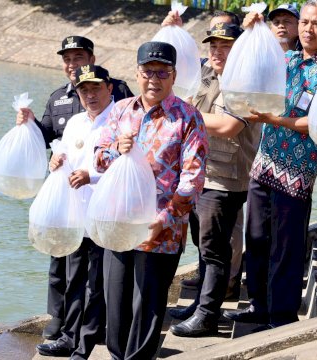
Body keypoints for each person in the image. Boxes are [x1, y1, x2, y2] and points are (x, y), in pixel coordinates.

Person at [222, 0, 317, 331]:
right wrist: (251, 30)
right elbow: (250, 68)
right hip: (265, 164)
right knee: (257, 238)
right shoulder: (284, 59)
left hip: (298, 170)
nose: (308, 29)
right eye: (304, 22)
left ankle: (281, 317)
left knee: (286, 247)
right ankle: (258, 306)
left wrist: (274, 119)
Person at [94, 41, 208, 359]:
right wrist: (116, 148)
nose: (153, 79)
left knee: (146, 312)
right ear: (137, 73)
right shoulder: (120, 111)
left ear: (173, 76)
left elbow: (192, 179)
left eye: (162, 72)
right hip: (119, 224)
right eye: (147, 71)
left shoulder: (188, 118)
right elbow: (99, 161)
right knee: (115, 309)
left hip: (162, 231)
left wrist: (165, 219)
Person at [16, 35, 133, 341]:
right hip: (73, 205)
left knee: (98, 277)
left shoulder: (121, 105)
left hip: (105, 206)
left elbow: (126, 158)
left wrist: (91, 176)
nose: (90, 93)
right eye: (67, 59)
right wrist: (48, 152)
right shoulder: (63, 105)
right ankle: (64, 325)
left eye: (78, 57)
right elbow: (53, 144)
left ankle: (87, 334)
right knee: (66, 269)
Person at [165, 20, 263, 337]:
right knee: (203, 245)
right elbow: (174, 68)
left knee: (215, 250)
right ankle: (200, 307)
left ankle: (208, 316)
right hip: (199, 174)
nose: (216, 52)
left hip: (225, 180)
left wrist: (184, 112)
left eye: (225, 46)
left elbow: (228, 126)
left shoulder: (247, 83)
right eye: (213, 45)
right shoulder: (209, 76)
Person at [35, 65, 115, 358]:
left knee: (96, 283)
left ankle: (86, 344)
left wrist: (91, 177)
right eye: (84, 90)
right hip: (75, 213)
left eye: (96, 88)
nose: (90, 95)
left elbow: (125, 170)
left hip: (105, 213)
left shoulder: (120, 120)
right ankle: (69, 337)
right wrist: (56, 163)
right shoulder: (76, 122)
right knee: (74, 278)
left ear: (109, 87)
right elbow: (65, 157)